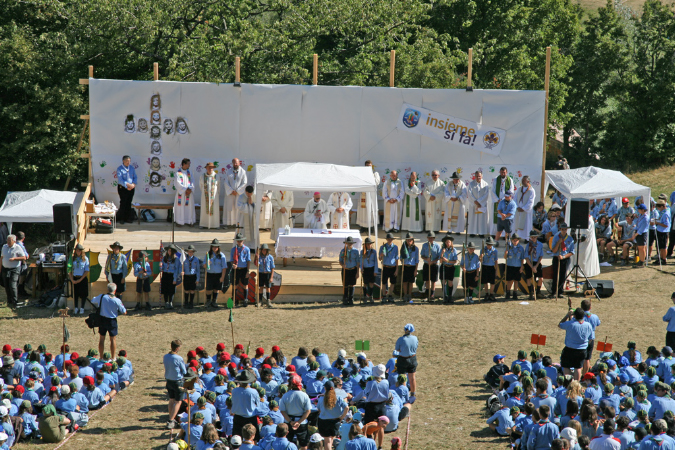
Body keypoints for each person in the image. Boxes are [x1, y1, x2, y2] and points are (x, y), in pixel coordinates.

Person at [91, 283, 127, 360]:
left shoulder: (102, 297)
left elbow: (93, 300)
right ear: (115, 290)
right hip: (112, 321)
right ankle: (113, 357)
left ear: (107, 289)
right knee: (113, 339)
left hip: (102, 319)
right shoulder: (117, 300)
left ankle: (101, 357)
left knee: (101, 339)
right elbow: (124, 312)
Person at [559, 308, 593, 381]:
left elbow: (560, 324)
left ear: (575, 316)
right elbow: (591, 338)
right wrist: (585, 345)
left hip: (569, 349)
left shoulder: (570, 324)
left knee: (566, 366)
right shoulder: (588, 325)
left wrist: (567, 315)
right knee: (578, 367)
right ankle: (576, 383)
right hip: (582, 350)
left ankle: (568, 382)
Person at [280, 376, 312, 450]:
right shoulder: (304, 395)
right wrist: (299, 422)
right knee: (303, 444)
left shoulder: (285, 396)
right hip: (302, 422)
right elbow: (308, 411)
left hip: (288, 422)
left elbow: (282, 411)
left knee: (287, 443)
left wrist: (290, 421)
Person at [317, 380, 348, 450]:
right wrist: (342, 417)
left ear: (325, 388)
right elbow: (346, 407)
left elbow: (318, 409)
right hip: (335, 421)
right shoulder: (339, 397)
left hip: (324, 421)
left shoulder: (321, 398)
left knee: (327, 441)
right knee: (331, 439)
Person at [164, 339, 187, 430]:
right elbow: (184, 371)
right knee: (178, 401)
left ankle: (171, 417)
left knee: (171, 399)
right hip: (178, 381)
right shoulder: (178, 358)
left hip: (169, 380)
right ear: (177, 348)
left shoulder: (165, 356)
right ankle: (171, 420)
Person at [231, 371, 260, 439]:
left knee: (237, 438)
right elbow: (258, 404)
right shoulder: (253, 392)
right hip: (250, 418)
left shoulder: (234, 391)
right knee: (253, 438)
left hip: (238, 418)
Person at [1, 234, 26, 308]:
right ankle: (9, 301)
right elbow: (1, 258)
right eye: (7, 240)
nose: (8, 242)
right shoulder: (4, 247)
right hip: (5, 268)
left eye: (10, 240)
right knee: (6, 285)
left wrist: (14, 259)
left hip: (15, 269)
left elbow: (24, 257)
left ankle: (15, 301)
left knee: (12, 285)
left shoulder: (17, 247)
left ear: (14, 241)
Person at [356, 161, 380, 234]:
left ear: (371, 166)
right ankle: (363, 226)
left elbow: (377, 182)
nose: (368, 167)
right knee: (363, 210)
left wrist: (369, 177)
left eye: (370, 166)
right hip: (363, 195)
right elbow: (359, 183)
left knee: (371, 210)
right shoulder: (362, 175)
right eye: (367, 166)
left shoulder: (375, 174)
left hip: (371, 195)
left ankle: (371, 226)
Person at [550, 223, 574, 298]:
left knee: (563, 276)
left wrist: (563, 257)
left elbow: (572, 252)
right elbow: (554, 250)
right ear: (560, 229)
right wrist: (558, 243)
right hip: (556, 258)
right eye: (562, 229)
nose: (564, 231)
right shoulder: (556, 237)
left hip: (565, 259)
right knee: (555, 275)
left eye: (565, 229)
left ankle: (560, 292)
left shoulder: (570, 239)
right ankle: (554, 291)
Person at [395, 324, 418, 397]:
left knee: (403, 378)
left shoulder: (401, 339)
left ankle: (404, 394)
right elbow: (416, 347)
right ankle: (413, 393)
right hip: (413, 358)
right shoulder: (415, 338)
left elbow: (397, 349)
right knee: (412, 378)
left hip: (403, 359)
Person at [204, 239, 228, 308]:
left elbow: (224, 267)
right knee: (209, 289)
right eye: (213, 246)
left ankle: (214, 301)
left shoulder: (222, 256)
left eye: (216, 246)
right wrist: (206, 264)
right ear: (211, 247)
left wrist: (222, 277)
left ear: (218, 247)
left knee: (216, 289)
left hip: (218, 274)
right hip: (210, 274)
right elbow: (204, 265)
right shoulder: (208, 254)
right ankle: (208, 301)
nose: (215, 248)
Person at [224, 158, 248, 227]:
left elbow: (244, 182)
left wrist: (237, 191)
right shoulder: (228, 171)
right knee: (230, 208)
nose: (235, 164)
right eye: (234, 163)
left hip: (239, 194)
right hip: (230, 194)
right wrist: (231, 191)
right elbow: (226, 182)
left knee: (238, 208)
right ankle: (230, 224)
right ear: (232, 163)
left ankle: (239, 224)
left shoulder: (243, 172)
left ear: (239, 163)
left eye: (236, 163)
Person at [466, 170, 490, 237]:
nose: (478, 177)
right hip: (474, 205)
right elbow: (470, 194)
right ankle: (472, 232)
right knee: (473, 218)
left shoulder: (485, 184)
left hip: (482, 205)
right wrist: (475, 201)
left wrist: (479, 202)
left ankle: (481, 233)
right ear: (475, 176)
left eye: (479, 176)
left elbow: (486, 194)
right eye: (477, 176)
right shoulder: (471, 184)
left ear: (482, 176)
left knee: (481, 219)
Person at [492, 167, 514, 234]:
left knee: (505, 217)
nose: (503, 174)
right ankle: (495, 233)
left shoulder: (510, 180)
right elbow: (493, 191)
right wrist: (497, 199)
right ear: (500, 172)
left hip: (506, 201)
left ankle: (505, 234)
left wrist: (504, 199)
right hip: (497, 201)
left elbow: (511, 190)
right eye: (501, 172)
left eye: (504, 172)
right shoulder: (496, 179)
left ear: (506, 172)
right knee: (497, 217)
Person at [174, 158, 196, 226]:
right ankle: (179, 222)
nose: (189, 165)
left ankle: (189, 221)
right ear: (184, 164)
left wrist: (190, 189)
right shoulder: (178, 173)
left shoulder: (190, 173)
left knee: (189, 207)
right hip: (181, 193)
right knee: (180, 207)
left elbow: (192, 181)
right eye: (188, 164)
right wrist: (186, 189)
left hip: (188, 193)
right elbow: (177, 183)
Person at [231, 233, 251, 307]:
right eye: (238, 241)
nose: (239, 242)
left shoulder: (246, 249)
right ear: (236, 241)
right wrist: (233, 264)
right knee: (235, 284)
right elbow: (231, 260)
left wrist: (248, 271)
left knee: (245, 284)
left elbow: (248, 260)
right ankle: (234, 299)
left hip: (244, 269)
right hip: (236, 269)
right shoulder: (233, 249)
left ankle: (245, 299)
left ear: (243, 241)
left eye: (241, 241)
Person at [69, 243, 89, 315]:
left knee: (83, 294)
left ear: (82, 251)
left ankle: (82, 308)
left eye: (79, 250)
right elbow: (69, 269)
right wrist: (72, 279)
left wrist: (80, 280)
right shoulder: (72, 258)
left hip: (82, 278)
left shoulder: (85, 259)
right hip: (75, 277)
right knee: (75, 294)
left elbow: (86, 270)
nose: (78, 252)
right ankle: (76, 307)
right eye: (77, 250)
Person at [502, 234, 524, 300]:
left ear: (518, 240)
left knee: (516, 281)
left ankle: (515, 293)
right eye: (514, 240)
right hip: (510, 265)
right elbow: (505, 257)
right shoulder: (508, 247)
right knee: (509, 280)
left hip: (517, 266)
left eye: (516, 240)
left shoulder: (521, 248)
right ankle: (508, 293)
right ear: (511, 240)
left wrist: (522, 267)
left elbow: (522, 258)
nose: (515, 241)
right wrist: (506, 253)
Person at [339, 236, 360, 306]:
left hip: (353, 269)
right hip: (346, 270)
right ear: (346, 243)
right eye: (348, 243)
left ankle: (351, 299)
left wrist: (357, 272)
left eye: (351, 243)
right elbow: (340, 260)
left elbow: (358, 262)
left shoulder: (356, 251)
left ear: (352, 243)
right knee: (345, 285)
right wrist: (342, 265)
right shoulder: (343, 251)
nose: (350, 244)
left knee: (352, 284)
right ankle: (345, 298)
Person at [420, 231, 441, 302]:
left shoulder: (437, 246)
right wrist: (426, 259)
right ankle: (427, 295)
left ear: (434, 238)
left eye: (432, 238)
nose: (430, 239)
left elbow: (439, 256)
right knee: (427, 280)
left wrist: (433, 261)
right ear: (427, 238)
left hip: (434, 265)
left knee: (433, 280)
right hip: (426, 264)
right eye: (429, 238)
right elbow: (422, 255)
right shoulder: (424, 245)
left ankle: (432, 295)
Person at [199, 162, 221, 229]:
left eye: (211, 168)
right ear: (206, 168)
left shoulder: (216, 176)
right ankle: (204, 224)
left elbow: (219, 186)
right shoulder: (202, 176)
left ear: (213, 168)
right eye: (209, 168)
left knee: (214, 209)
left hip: (214, 197)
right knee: (204, 209)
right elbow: (200, 186)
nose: (210, 169)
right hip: (205, 196)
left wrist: (214, 194)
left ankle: (215, 225)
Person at [116, 155, 137, 224]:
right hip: (123, 188)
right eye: (127, 161)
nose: (128, 162)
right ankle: (121, 218)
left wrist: (133, 184)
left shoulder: (131, 168)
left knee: (129, 202)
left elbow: (135, 177)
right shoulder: (120, 168)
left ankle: (128, 218)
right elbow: (120, 180)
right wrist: (127, 185)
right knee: (123, 202)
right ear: (123, 161)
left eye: (129, 161)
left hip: (131, 187)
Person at [379, 233, 399, 303]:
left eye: (391, 239)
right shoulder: (382, 247)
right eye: (388, 239)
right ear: (387, 239)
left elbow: (396, 258)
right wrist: (381, 255)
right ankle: (384, 296)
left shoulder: (395, 247)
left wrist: (397, 269)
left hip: (393, 267)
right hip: (385, 267)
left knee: (392, 282)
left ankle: (390, 295)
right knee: (384, 282)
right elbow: (380, 258)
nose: (390, 240)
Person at [523, 230, 543, 300]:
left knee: (541, 278)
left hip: (537, 263)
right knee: (529, 278)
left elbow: (541, 256)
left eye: (535, 237)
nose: (533, 238)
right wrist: (532, 267)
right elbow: (526, 257)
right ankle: (530, 293)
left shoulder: (540, 244)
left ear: (537, 237)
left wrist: (536, 266)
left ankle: (538, 292)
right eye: (532, 237)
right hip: (529, 263)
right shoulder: (528, 245)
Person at [161, 244, 181, 309]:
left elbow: (177, 269)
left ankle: (170, 302)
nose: (169, 252)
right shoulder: (164, 258)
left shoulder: (176, 259)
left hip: (172, 275)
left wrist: (175, 279)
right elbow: (161, 269)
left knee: (171, 290)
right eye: (168, 250)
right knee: (165, 289)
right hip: (165, 274)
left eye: (170, 250)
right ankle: (166, 302)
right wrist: (160, 266)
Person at [400, 233, 419, 303]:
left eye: (410, 240)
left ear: (413, 240)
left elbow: (417, 260)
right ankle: (405, 295)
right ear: (406, 240)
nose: (409, 241)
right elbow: (401, 257)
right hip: (405, 266)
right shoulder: (403, 248)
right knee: (405, 282)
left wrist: (416, 270)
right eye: (408, 240)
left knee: (411, 282)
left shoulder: (416, 249)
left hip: (412, 267)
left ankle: (409, 295)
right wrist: (402, 259)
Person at [440, 234, 458, 304]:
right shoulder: (442, 250)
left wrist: (447, 261)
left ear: (451, 243)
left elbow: (455, 261)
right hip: (444, 266)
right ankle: (444, 296)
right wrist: (442, 254)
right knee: (443, 282)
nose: (448, 243)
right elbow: (440, 261)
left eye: (449, 242)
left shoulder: (454, 250)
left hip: (450, 267)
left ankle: (450, 296)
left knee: (450, 283)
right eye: (446, 242)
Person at [479, 237, 498, 302]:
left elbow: (496, 261)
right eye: (488, 244)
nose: (489, 246)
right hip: (485, 267)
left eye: (490, 244)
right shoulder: (482, 250)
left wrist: (496, 270)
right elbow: (480, 260)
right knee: (485, 281)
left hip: (492, 267)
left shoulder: (495, 251)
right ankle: (486, 294)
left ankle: (491, 294)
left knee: (492, 282)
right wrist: (481, 257)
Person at [258, 243, 275, 308]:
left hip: (268, 273)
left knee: (268, 287)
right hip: (261, 273)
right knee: (261, 287)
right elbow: (257, 265)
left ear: (267, 250)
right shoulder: (259, 257)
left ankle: (268, 300)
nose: (264, 251)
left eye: (265, 250)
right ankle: (260, 301)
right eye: (263, 250)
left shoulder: (270, 257)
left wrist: (271, 277)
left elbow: (272, 267)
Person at [360, 237, 377, 303]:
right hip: (365, 269)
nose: (369, 245)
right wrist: (361, 269)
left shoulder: (374, 252)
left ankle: (370, 296)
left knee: (371, 283)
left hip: (372, 268)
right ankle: (365, 296)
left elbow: (375, 261)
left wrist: (375, 271)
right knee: (365, 283)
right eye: (367, 244)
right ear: (365, 245)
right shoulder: (362, 252)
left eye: (370, 244)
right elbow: (361, 261)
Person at [655, 199, 670, 264]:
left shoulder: (666, 213)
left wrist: (657, 223)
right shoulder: (662, 212)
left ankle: (664, 259)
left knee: (663, 247)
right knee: (660, 246)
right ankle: (661, 258)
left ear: (662, 206)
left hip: (663, 232)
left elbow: (666, 225)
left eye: (658, 207)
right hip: (659, 230)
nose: (658, 209)